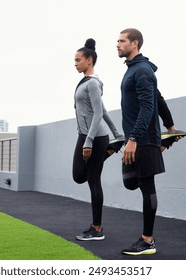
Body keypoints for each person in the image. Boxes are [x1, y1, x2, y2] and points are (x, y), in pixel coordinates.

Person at [117, 28, 165, 255]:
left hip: (143, 140)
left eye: (122, 41)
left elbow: (148, 106)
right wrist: (171, 125)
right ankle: (148, 240)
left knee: (147, 187)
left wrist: (134, 138)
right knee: (130, 181)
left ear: (134, 43)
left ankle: (148, 241)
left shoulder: (142, 70)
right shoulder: (134, 69)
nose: (117, 44)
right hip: (136, 139)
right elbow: (158, 98)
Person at [72, 38, 123, 241]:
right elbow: (101, 110)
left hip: (92, 137)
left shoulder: (92, 83)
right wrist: (117, 134)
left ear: (89, 60)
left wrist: (89, 141)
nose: (75, 63)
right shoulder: (86, 82)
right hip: (91, 136)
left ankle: (97, 228)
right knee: (79, 175)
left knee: (92, 179)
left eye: (78, 60)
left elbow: (98, 114)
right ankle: (110, 148)